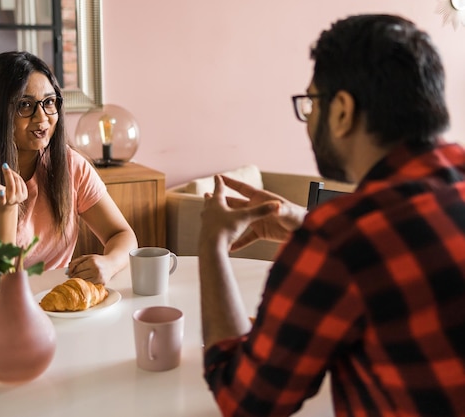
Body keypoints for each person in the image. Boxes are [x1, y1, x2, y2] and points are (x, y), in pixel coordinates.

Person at [198, 14, 465, 416]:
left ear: (341, 110)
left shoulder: (339, 242)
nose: (308, 122)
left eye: (311, 103)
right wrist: (306, 222)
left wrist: (212, 245)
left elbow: (245, 401)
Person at [0, 51, 137, 286]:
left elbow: (122, 234)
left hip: (53, 304)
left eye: (49, 102)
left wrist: (110, 263)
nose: (42, 118)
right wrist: (5, 211)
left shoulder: (70, 165)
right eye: (25, 105)